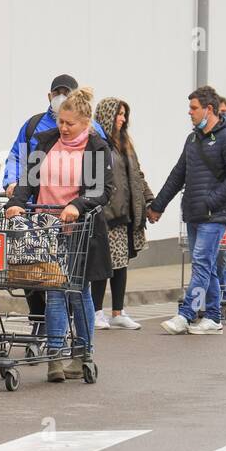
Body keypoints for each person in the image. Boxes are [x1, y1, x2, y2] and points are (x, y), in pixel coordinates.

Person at [7, 87, 113, 380]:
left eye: (70, 124)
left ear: (85, 122)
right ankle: (54, 357)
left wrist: (77, 205)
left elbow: (101, 191)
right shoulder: (44, 142)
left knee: (78, 293)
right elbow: (28, 182)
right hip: (46, 228)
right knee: (54, 291)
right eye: (60, 122)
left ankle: (81, 354)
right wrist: (16, 203)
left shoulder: (95, 148)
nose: (63, 128)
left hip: (80, 230)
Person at [148, 86, 226, 334]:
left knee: (202, 262)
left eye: (193, 108)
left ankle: (186, 314)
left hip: (215, 215)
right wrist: (157, 206)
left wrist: (212, 201)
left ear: (209, 109)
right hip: (193, 212)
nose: (189, 113)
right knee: (208, 266)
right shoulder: (192, 139)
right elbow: (177, 175)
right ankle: (213, 317)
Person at [91, 97, 153, 330]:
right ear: (107, 115)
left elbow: (138, 175)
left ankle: (118, 311)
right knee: (103, 266)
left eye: (124, 114)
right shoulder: (98, 143)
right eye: (118, 114)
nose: (122, 119)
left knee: (121, 264)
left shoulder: (126, 143)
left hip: (126, 215)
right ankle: (97, 312)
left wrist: (149, 200)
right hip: (107, 215)